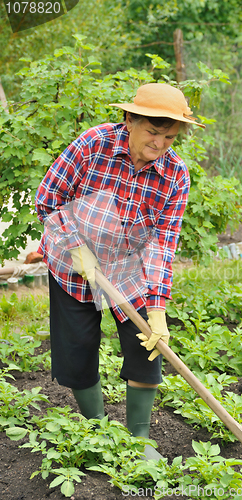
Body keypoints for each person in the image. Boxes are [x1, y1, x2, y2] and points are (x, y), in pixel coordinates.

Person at [35, 83, 204, 460]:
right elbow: (47, 199)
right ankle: (98, 428)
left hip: (130, 271)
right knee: (77, 348)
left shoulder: (175, 174)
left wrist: (157, 308)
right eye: (153, 132)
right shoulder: (93, 145)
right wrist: (76, 247)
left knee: (147, 347)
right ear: (130, 120)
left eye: (170, 137)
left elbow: (162, 243)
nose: (161, 144)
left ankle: (139, 439)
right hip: (72, 265)